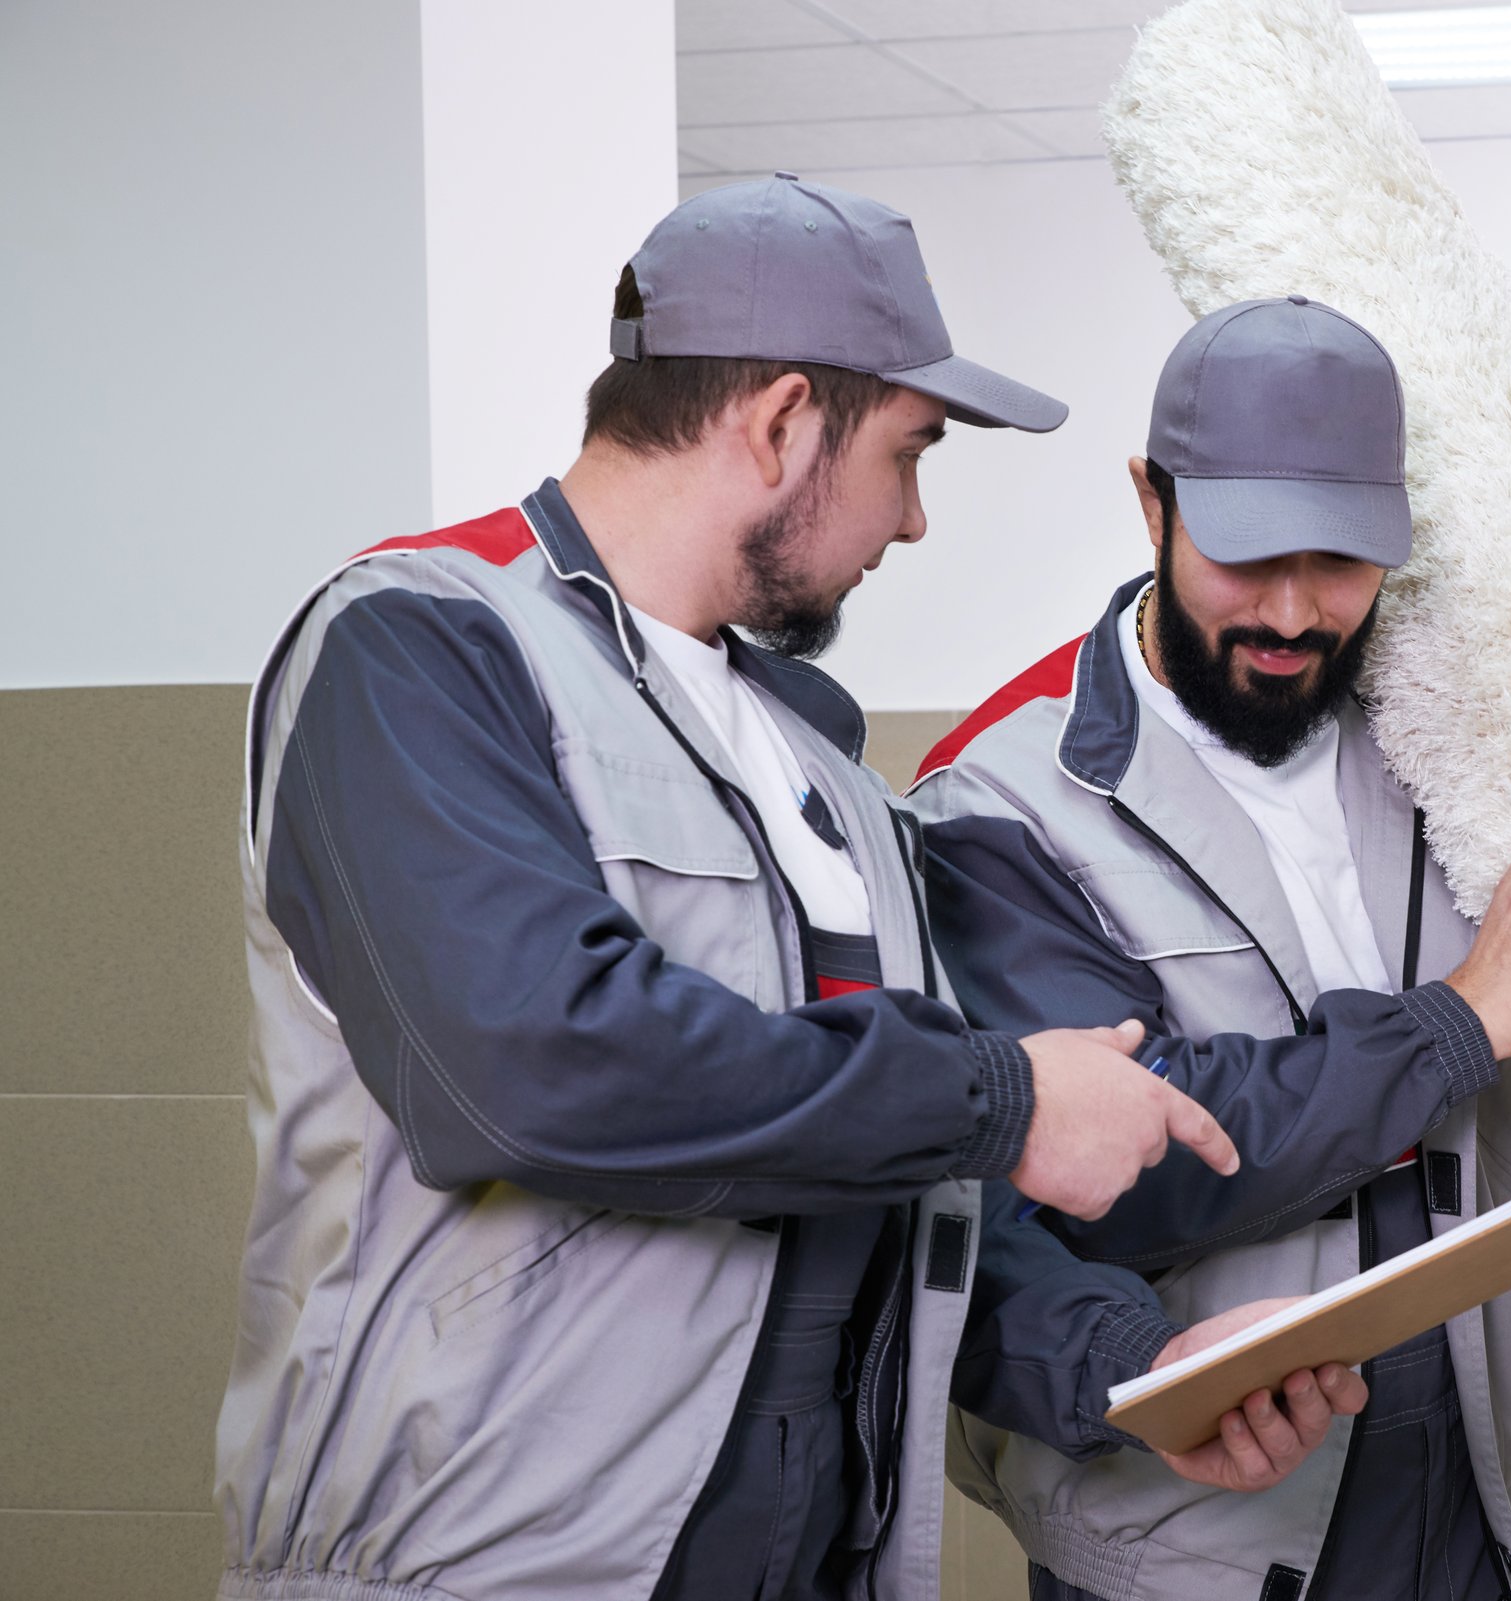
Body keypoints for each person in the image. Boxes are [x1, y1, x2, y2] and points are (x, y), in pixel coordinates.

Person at [214, 177, 1319, 1601]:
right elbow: (538, 1063)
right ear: (784, 420)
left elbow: (887, 1175)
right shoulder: (414, 649)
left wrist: (1134, 1368)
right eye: (911, 453)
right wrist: (1008, 1097)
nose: (914, 521)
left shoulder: (827, 776)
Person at [911, 296, 1511, 1600]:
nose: (1292, 612)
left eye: (1341, 562)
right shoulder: (999, 805)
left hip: (1475, 1508)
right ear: (1150, 502)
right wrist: (1466, 1012)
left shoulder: (1452, 728)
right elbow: (1113, 1170)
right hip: (1192, 1540)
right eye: (1246, 556)